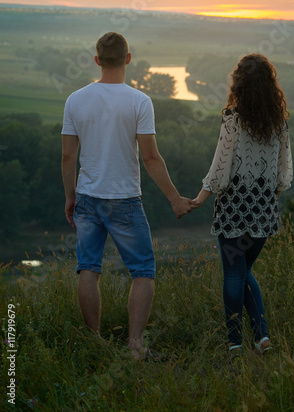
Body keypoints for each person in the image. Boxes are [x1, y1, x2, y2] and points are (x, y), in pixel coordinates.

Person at [61, 31, 194, 360]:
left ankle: (94, 341)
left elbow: (67, 157)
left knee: (88, 269)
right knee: (143, 272)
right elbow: (150, 158)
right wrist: (175, 199)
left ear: (97, 61)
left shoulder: (75, 100)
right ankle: (135, 346)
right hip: (124, 199)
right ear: (128, 59)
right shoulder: (139, 101)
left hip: (87, 196)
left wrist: (70, 197)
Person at [193, 53, 293, 355]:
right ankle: (262, 338)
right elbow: (282, 171)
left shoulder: (233, 120)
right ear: (269, 85)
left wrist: (199, 198)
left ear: (239, 83)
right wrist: (268, 202)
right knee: (246, 272)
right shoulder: (279, 122)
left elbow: (219, 168)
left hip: (233, 207)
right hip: (262, 208)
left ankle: (235, 342)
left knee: (235, 274)